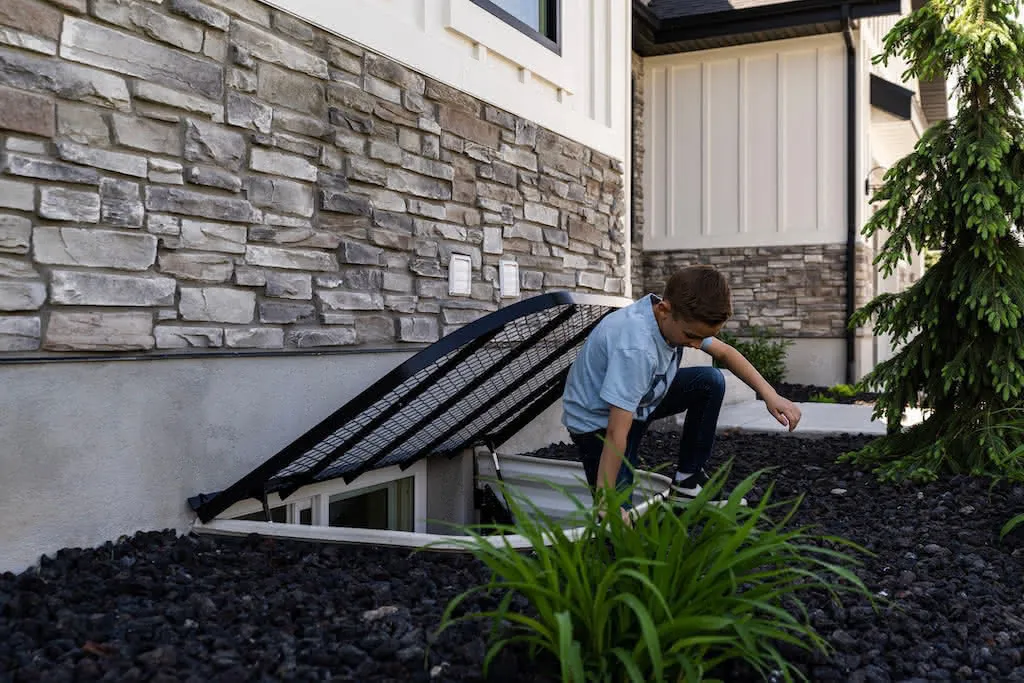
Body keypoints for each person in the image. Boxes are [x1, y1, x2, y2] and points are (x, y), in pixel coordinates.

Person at [561, 265, 802, 514]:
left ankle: (688, 482)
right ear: (665, 310)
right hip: (598, 425)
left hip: (639, 401)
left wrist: (770, 395)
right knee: (616, 517)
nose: (697, 345)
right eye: (691, 336)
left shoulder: (673, 316)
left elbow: (725, 352)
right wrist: (606, 503)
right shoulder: (637, 348)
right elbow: (615, 433)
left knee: (709, 381)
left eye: (703, 337)